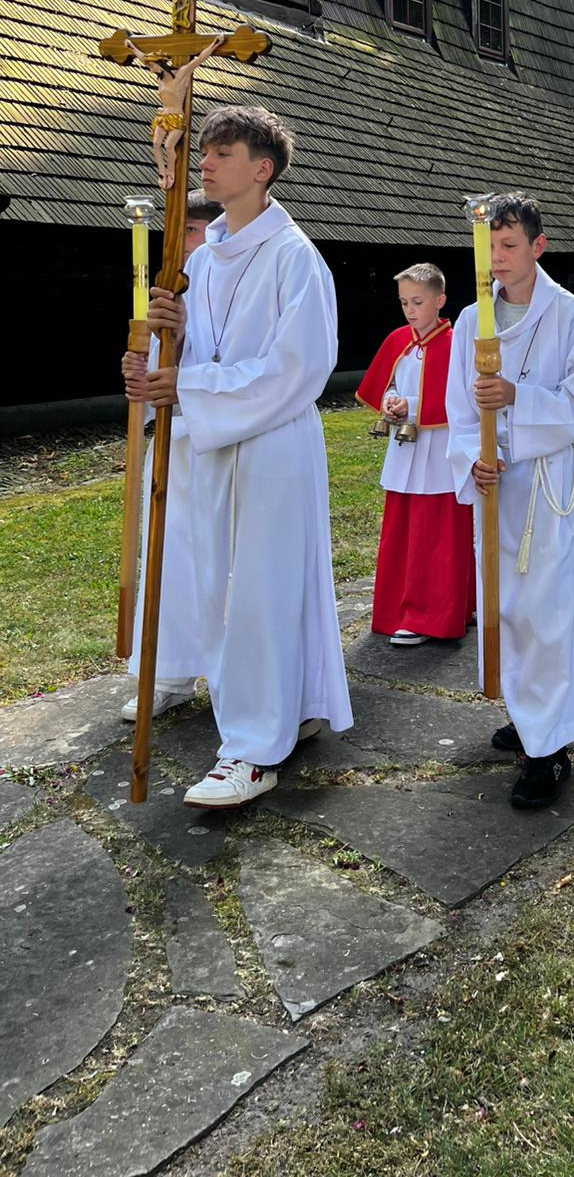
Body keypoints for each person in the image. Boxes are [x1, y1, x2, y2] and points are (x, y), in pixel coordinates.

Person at [140, 105, 352, 809]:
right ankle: (288, 708)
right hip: (215, 445)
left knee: (259, 590)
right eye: (202, 152)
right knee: (223, 588)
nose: (205, 163)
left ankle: (252, 751)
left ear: (262, 169)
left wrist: (192, 384)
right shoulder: (201, 258)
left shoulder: (296, 258)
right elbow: (201, 355)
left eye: (221, 153)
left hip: (271, 446)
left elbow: (299, 367)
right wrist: (165, 349)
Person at [445, 193, 574, 809]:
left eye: (509, 246)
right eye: (489, 247)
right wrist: (469, 457)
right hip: (497, 483)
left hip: (545, 486)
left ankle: (551, 749)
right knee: (504, 607)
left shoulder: (569, 315)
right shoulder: (468, 320)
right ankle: (527, 713)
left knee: (546, 614)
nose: (497, 259)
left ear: (538, 246)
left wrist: (516, 397)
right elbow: (459, 408)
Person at [119, 189, 223, 722]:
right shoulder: (169, 291)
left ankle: (244, 681)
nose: (182, 244)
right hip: (177, 444)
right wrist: (141, 367)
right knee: (169, 555)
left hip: (227, 440)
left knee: (226, 565)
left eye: (192, 231)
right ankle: (168, 673)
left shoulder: (233, 282)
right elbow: (157, 373)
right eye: (179, 233)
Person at [356, 262, 475, 646]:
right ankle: (398, 610)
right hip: (404, 450)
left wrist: (411, 403)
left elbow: (463, 398)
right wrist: (390, 400)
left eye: (418, 301)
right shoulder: (398, 340)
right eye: (404, 302)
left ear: (440, 300)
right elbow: (386, 383)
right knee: (402, 535)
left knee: (440, 540)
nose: (409, 310)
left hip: (440, 453)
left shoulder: (458, 342)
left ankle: (435, 615)